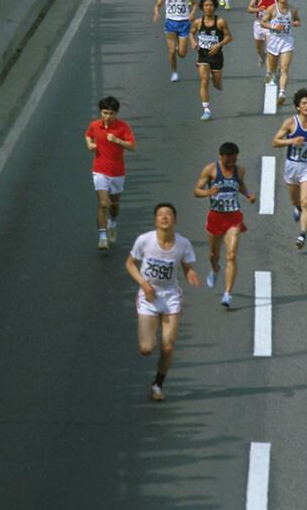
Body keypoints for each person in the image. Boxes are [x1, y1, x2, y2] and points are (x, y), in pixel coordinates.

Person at [125, 203, 201, 401]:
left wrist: (190, 272)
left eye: (168, 214)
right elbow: (130, 264)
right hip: (149, 296)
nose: (164, 217)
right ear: (155, 220)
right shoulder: (145, 240)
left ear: (175, 220)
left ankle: (157, 385)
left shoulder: (183, 244)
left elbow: (186, 265)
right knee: (146, 348)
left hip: (170, 296)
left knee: (168, 347)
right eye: (160, 215)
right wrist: (144, 284)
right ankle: (152, 329)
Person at [194, 143, 256, 308]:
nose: (231, 163)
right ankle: (215, 269)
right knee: (214, 254)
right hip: (215, 217)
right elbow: (196, 190)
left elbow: (240, 184)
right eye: (228, 160)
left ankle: (227, 294)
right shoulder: (210, 170)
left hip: (233, 217)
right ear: (220, 156)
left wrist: (248, 194)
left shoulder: (240, 170)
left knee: (231, 255)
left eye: (234, 160)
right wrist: (208, 192)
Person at [271, 88, 307, 249]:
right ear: (298, 107)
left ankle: (302, 235)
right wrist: (291, 141)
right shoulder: (290, 123)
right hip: (292, 166)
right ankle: (296, 208)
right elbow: (274, 142)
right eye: (304, 103)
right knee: (296, 201)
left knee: (306, 202)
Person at [85, 96, 136, 251]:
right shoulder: (95, 125)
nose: (108, 116)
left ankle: (112, 222)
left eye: (111, 113)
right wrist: (90, 144)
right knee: (103, 203)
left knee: (114, 204)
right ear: (101, 112)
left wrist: (117, 141)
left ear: (116, 113)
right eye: (105, 113)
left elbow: (132, 146)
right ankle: (102, 238)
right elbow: (88, 135)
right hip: (100, 170)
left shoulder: (123, 127)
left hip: (117, 172)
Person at [190, 0, 232, 120]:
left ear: (215, 7)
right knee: (204, 81)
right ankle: (206, 110)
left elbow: (229, 37)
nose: (209, 8)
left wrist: (218, 45)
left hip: (216, 56)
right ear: (202, 7)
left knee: (217, 85)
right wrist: (192, 41)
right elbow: (191, 33)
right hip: (203, 55)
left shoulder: (220, 22)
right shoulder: (198, 22)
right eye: (206, 5)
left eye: (211, 5)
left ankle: (216, 80)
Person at [260, 0, 300, 105]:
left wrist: (296, 23)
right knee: (272, 69)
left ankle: (282, 93)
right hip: (273, 41)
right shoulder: (272, 9)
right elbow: (262, 22)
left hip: (287, 41)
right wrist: (273, 26)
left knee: (284, 68)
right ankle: (269, 73)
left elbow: (297, 19)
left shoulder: (292, 9)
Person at [153, 0, 196, 82]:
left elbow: (195, 4)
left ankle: (178, 46)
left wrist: (192, 13)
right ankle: (174, 72)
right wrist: (156, 13)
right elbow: (158, 5)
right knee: (171, 51)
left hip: (184, 23)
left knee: (182, 54)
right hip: (171, 22)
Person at [247, 0, 279, 67]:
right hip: (259, 24)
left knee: (270, 49)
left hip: (270, 25)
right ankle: (261, 56)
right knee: (259, 49)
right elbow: (249, 9)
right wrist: (258, 9)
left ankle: (270, 75)